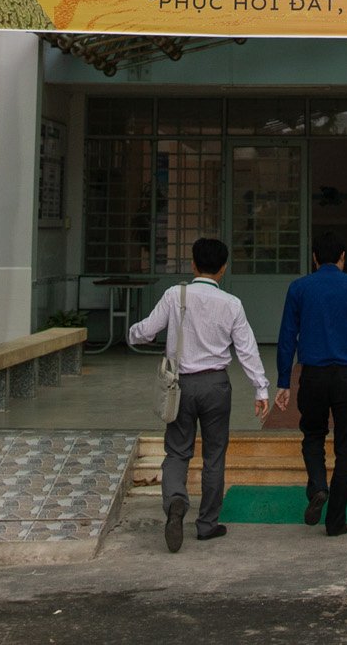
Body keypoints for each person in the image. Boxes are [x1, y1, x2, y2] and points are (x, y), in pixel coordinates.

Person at [130, 236, 271, 552]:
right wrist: (260, 388)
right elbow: (247, 350)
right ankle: (207, 524)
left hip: (180, 385)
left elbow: (148, 330)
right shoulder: (232, 304)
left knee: (178, 450)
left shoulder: (174, 295)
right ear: (223, 269)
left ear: (193, 264)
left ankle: (176, 502)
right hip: (216, 386)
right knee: (214, 454)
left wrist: (131, 334)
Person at [274, 233, 347, 536]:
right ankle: (336, 521)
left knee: (313, 434)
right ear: (342, 258)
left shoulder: (299, 288)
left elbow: (287, 337)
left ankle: (317, 487)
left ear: (314, 258)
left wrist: (283, 381)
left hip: (313, 375)